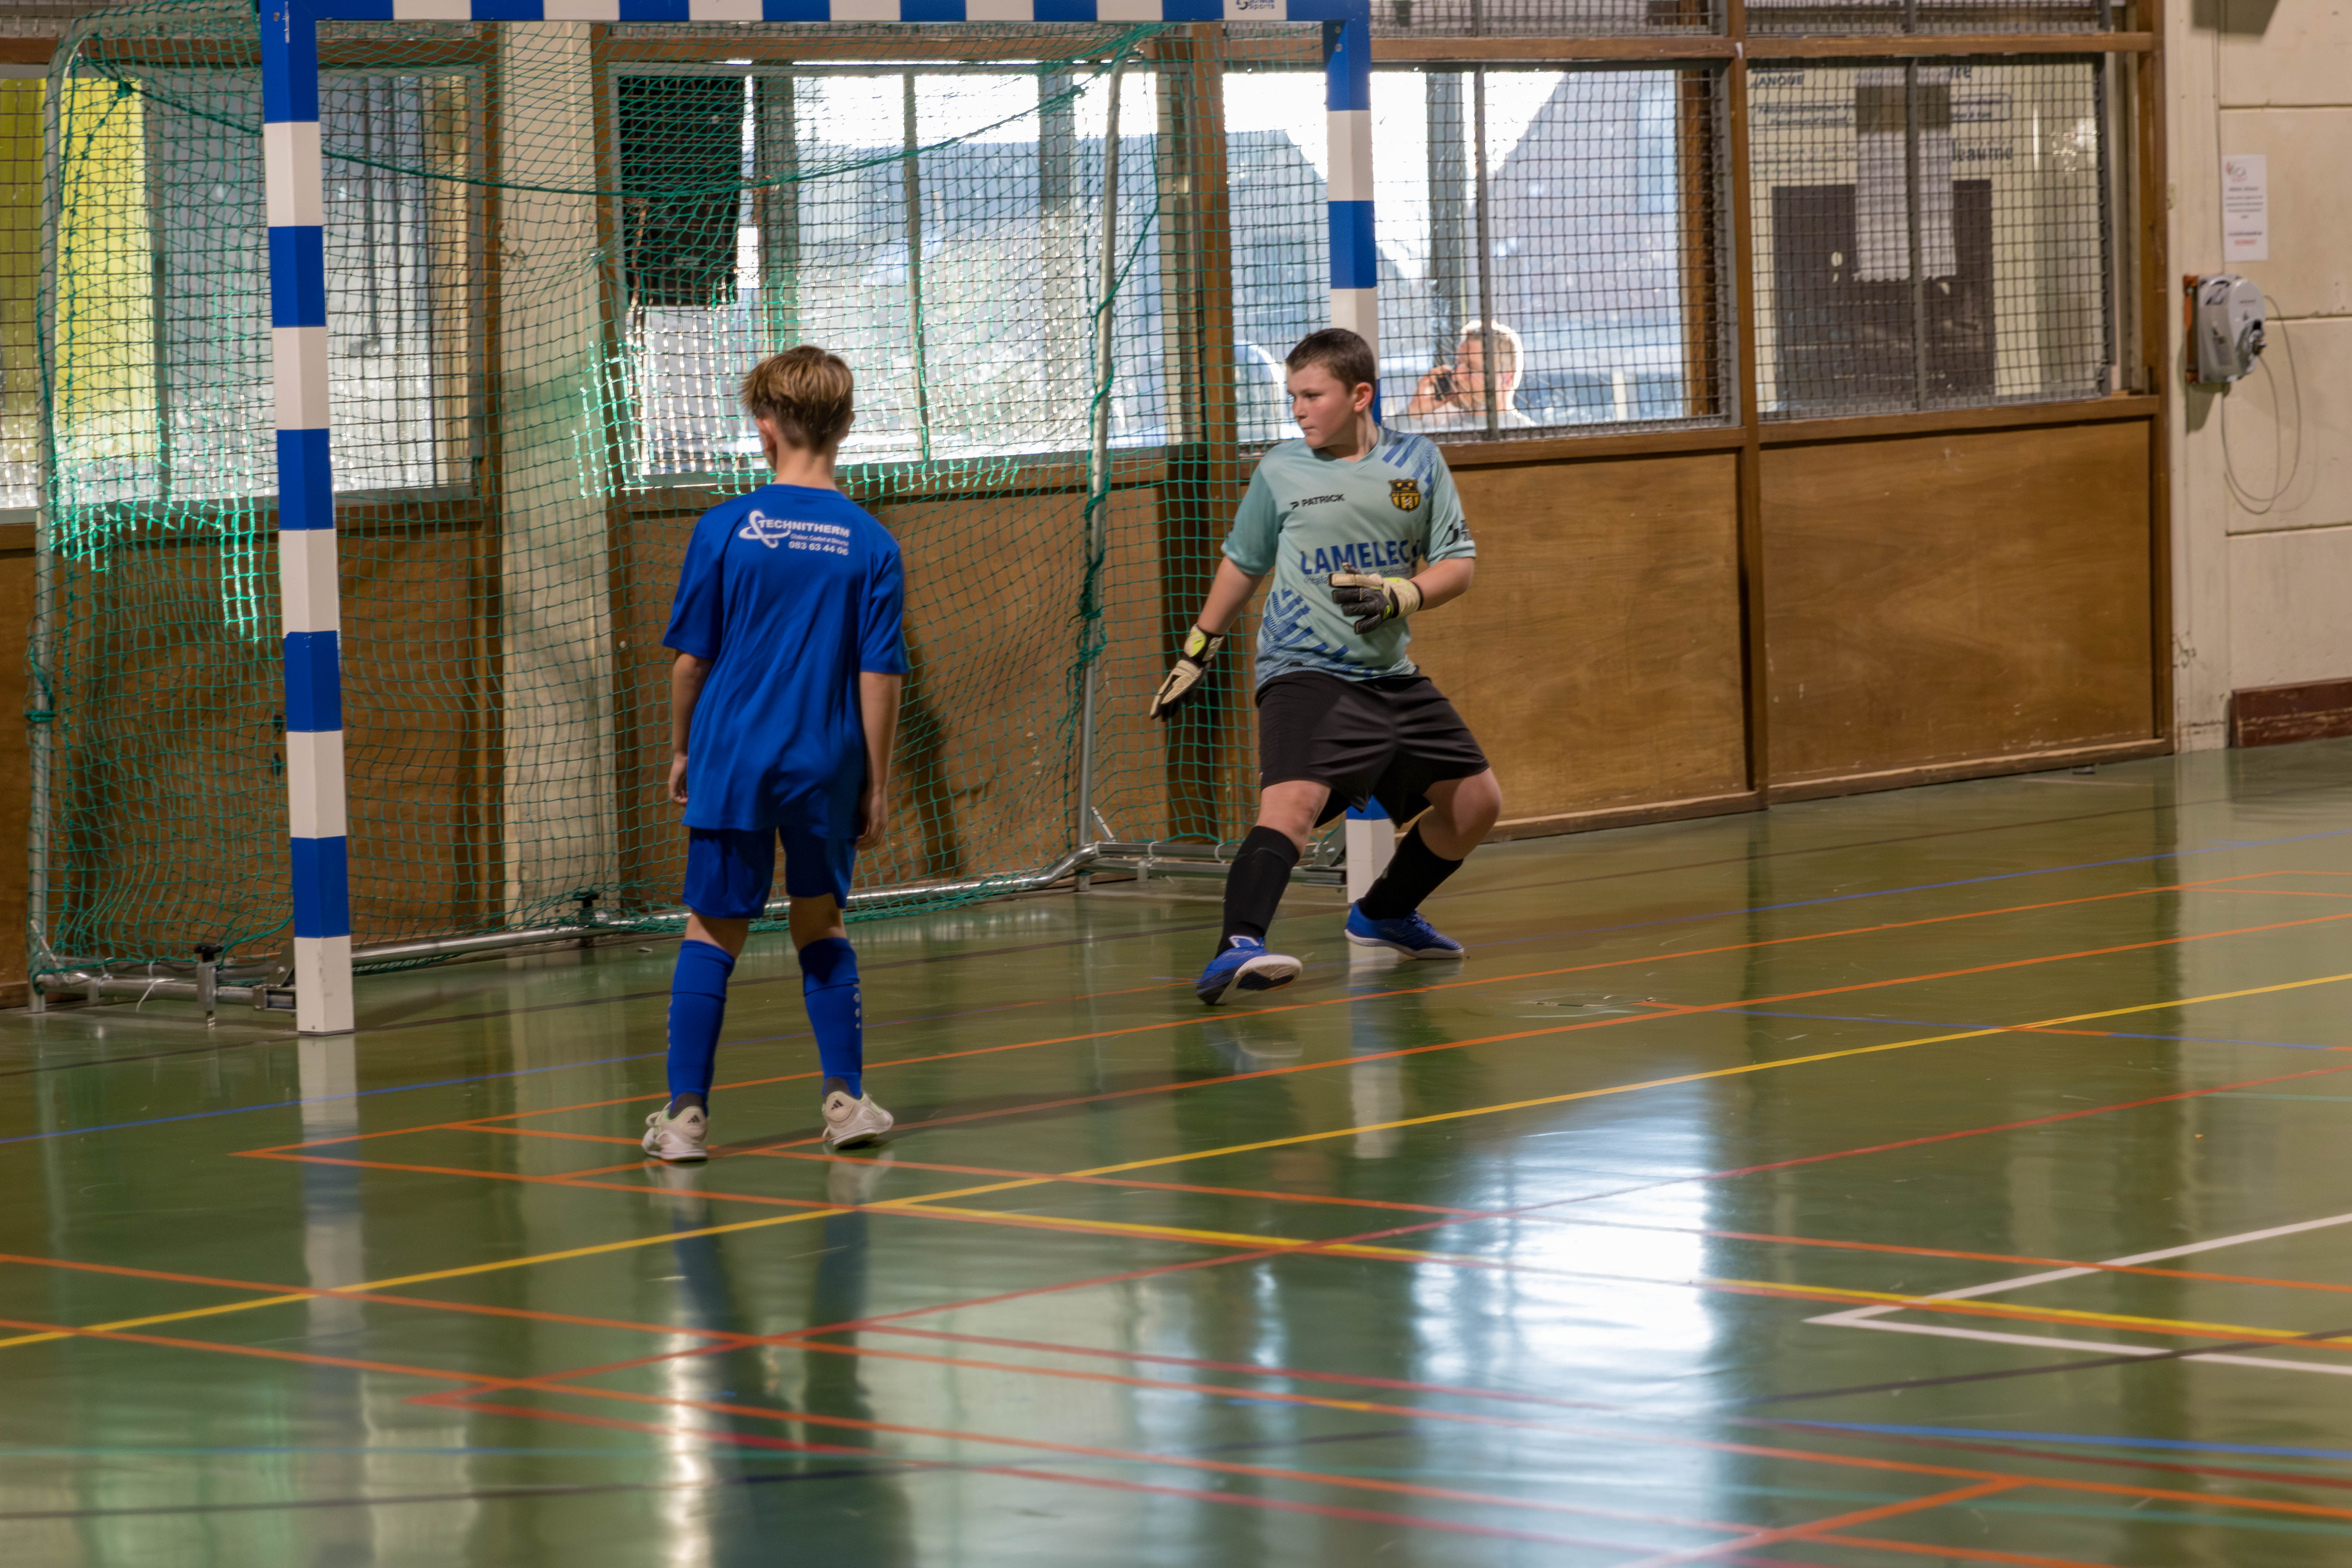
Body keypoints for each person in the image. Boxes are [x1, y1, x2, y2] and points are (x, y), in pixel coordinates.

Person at [1148, 327, 1504, 1005]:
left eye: (1312, 395)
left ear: (1359, 395)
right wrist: (1198, 646)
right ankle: (1236, 945)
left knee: (1475, 806)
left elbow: (1457, 564)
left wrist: (1404, 594)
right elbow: (1243, 563)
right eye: (1293, 396)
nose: (1298, 410)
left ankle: (1382, 913)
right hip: (1302, 667)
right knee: (1292, 804)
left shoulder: (1417, 460)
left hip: (1389, 673)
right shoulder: (1280, 468)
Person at [640, 345, 907, 1161]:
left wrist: (682, 747)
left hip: (732, 753)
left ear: (763, 427)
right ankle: (844, 1102)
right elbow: (878, 675)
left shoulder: (724, 527)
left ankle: (685, 1119)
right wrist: (875, 782)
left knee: (712, 927)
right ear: (847, 426)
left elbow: (690, 663)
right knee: (819, 918)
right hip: (826, 759)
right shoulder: (872, 542)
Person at [1396, 320, 1534, 433]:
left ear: (1507, 380)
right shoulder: (1443, 430)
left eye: (1472, 368)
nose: (1457, 376)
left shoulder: (1530, 436)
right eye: (1457, 365)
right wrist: (1414, 411)